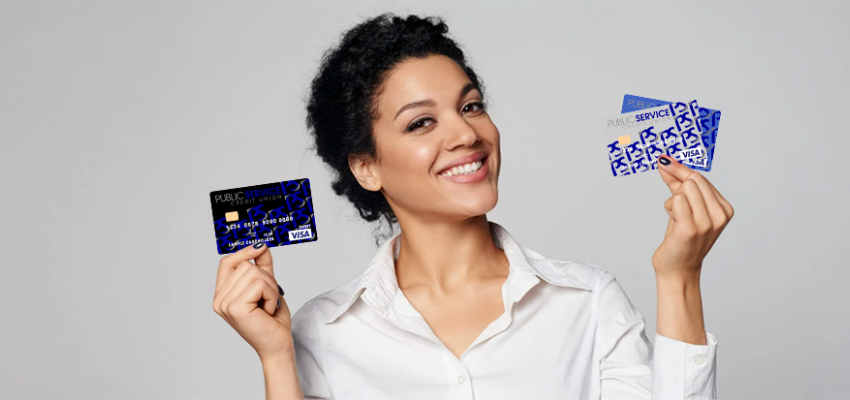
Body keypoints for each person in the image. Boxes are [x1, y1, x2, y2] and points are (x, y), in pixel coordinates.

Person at [211, 13, 734, 400]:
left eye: (471, 105)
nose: (467, 132)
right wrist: (277, 358)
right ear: (366, 167)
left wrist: (680, 276)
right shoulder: (321, 332)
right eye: (421, 122)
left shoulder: (588, 301)